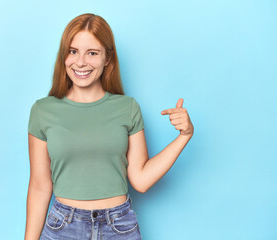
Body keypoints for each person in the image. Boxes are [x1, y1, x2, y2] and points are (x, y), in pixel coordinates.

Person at [24, 13, 194, 240]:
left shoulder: (128, 108)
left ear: (108, 59)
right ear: (63, 56)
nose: (81, 62)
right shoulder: (43, 111)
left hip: (119, 227)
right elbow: (39, 186)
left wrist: (184, 136)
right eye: (73, 51)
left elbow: (141, 180)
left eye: (92, 53)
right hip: (62, 228)